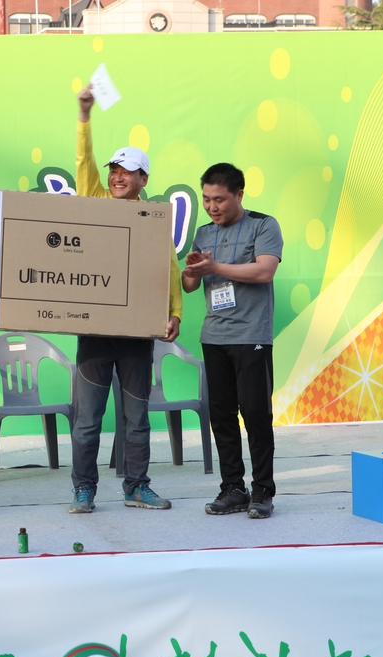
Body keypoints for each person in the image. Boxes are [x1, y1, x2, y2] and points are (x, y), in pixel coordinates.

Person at [68, 84, 184, 514]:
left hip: (137, 336)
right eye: (114, 170)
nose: (118, 177)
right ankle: (84, 489)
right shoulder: (96, 202)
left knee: (137, 421)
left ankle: (137, 486)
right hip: (96, 334)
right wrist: (84, 116)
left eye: (127, 171)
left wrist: (174, 313)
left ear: (143, 179)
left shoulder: (153, 218)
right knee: (87, 421)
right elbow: (83, 163)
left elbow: (169, 269)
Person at [181, 162, 283, 519]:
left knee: (255, 414)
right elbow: (189, 285)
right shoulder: (203, 233)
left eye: (219, 199)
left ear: (239, 194)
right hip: (214, 336)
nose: (212, 207)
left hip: (251, 335)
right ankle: (233, 488)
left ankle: (263, 490)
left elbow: (265, 270)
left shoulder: (263, 225)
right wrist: (193, 269)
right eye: (207, 199)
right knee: (221, 416)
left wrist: (215, 268)